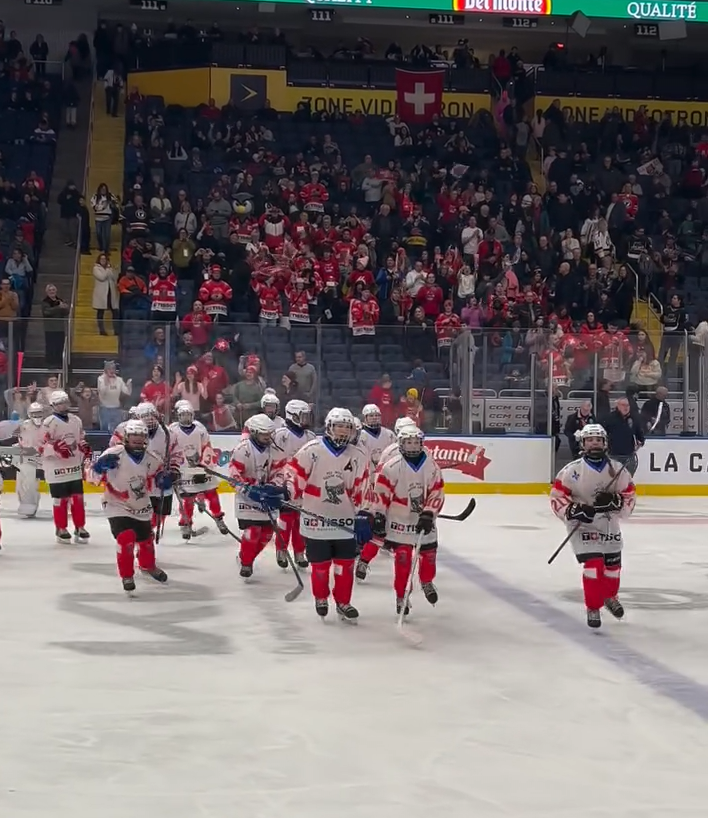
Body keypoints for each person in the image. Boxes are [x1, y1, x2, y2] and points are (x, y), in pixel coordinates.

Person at [282, 407, 370, 622]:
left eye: (347, 428)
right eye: (339, 426)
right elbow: (294, 477)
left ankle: (343, 602)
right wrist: (284, 493)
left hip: (345, 522)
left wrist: (365, 514)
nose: (343, 432)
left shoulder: (358, 455)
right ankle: (321, 597)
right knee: (320, 568)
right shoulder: (311, 450)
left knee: (345, 566)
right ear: (329, 427)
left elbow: (364, 488)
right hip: (315, 521)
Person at [550, 424, 636, 629]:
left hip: (608, 523)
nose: (594, 443)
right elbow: (557, 498)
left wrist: (616, 501)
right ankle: (593, 606)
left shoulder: (617, 470)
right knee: (593, 566)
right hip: (583, 526)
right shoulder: (571, 471)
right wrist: (573, 510)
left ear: (605, 443)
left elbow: (629, 498)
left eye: (598, 439)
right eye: (590, 440)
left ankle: (609, 596)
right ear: (583, 444)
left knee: (613, 569)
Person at [363, 424, 445, 615]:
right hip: (399, 523)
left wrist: (429, 513)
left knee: (429, 558)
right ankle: (402, 597)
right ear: (401, 444)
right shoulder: (391, 467)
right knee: (403, 561)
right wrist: (379, 516)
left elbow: (437, 492)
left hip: (423, 522)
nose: (413, 446)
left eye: (416, 442)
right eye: (408, 443)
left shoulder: (431, 465)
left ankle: (426, 581)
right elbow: (381, 495)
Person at [89, 419, 171, 594]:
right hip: (116, 503)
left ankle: (148, 565)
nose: (137, 439)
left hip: (140, 504)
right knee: (126, 538)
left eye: (141, 435)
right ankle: (127, 575)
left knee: (145, 540)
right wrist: (98, 467)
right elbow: (90, 476)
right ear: (126, 436)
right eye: (134, 435)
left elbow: (158, 479)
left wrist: (165, 480)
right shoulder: (113, 453)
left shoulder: (152, 458)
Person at [169, 400, 228, 539]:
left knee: (212, 494)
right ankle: (186, 523)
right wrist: (172, 469)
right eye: (182, 415)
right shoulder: (172, 430)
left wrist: (204, 467)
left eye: (188, 415)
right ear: (178, 416)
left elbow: (207, 448)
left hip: (200, 468)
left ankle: (219, 518)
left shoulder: (200, 428)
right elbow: (169, 450)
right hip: (183, 471)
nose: (185, 418)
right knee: (187, 500)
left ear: (192, 415)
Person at [230, 413, 279, 577]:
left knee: (267, 534)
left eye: (269, 433)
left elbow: (281, 472)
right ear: (255, 432)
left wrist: (273, 488)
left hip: (267, 497)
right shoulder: (242, 449)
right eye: (264, 434)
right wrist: (248, 490)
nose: (268, 437)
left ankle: (246, 557)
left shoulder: (275, 450)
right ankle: (246, 563)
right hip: (247, 499)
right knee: (253, 531)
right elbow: (234, 476)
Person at [39, 389, 91, 544]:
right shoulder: (49, 423)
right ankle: (61, 528)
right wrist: (55, 450)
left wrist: (83, 446)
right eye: (59, 403)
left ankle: (80, 526)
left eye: (65, 402)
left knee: (78, 498)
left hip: (73, 466)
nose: (63, 405)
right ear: (53, 405)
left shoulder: (76, 420)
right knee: (60, 500)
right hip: (56, 468)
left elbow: (80, 437)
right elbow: (41, 446)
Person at [271, 400, 315, 570]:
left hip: (305, 487)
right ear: (293, 416)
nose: (305, 420)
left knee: (301, 522)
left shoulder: (310, 436)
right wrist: (277, 482)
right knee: (285, 520)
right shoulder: (280, 434)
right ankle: (281, 549)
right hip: (286, 485)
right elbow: (274, 460)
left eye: (306, 416)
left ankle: (299, 552)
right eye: (302, 416)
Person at [16, 402, 45, 518]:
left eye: (39, 413)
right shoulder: (23, 425)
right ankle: (28, 504)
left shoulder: (48, 425)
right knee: (25, 478)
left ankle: (66, 503)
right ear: (29, 414)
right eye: (34, 413)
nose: (37, 416)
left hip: (46, 456)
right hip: (29, 457)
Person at [604, 396, 644, 476]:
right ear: (617, 406)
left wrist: (641, 441)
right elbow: (604, 434)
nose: (626, 407)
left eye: (627, 405)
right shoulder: (609, 418)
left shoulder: (633, 419)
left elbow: (639, 434)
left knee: (628, 478)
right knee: (613, 479)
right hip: (613, 455)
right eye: (623, 405)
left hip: (629, 456)